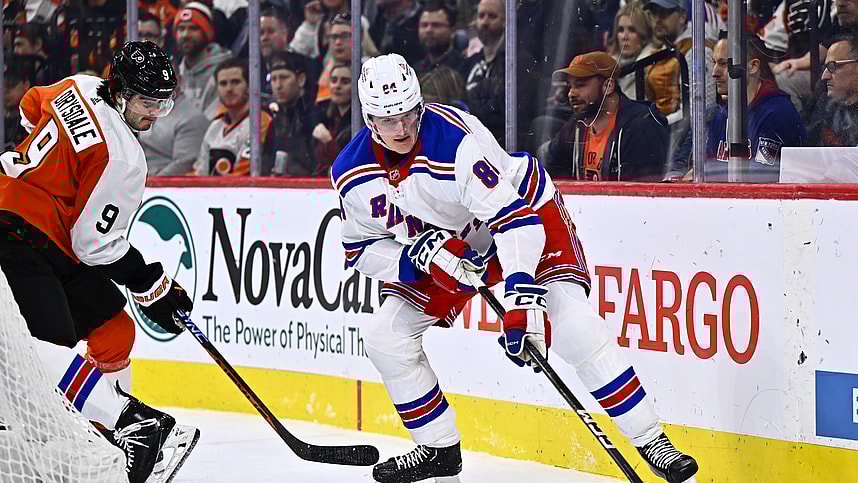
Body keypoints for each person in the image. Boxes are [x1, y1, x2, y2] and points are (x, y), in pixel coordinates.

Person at [332, 53, 698, 483]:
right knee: (386, 338)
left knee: (575, 328)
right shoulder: (352, 173)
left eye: (409, 113)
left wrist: (521, 301)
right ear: (369, 117)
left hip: (522, 214)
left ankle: (652, 440)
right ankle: (438, 449)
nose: (402, 128)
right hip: (452, 247)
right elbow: (360, 250)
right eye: (388, 119)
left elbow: (515, 221)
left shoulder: (457, 141)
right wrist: (416, 260)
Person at [0, 40, 199, 483]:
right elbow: (94, 244)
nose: (154, 114)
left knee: (113, 328)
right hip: (14, 235)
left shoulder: (81, 83)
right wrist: (148, 281)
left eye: (164, 104)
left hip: (45, 239)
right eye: (148, 103)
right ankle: (122, 424)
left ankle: (104, 439)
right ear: (122, 91)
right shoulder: (123, 157)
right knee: (46, 347)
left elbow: (31, 107)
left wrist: (52, 165)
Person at [541, 52, 670, 181]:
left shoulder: (641, 127)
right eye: (570, 86)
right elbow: (549, 171)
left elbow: (639, 195)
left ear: (608, 86)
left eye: (580, 85)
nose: (571, 93)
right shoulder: (577, 124)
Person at [703, 34, 807, 182]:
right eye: (714, 63)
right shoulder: (721, 115)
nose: (714, 73)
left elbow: (760, 181)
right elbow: (707, 174)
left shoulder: (777, 112)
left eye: (724, 64)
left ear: (753, 66)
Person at [195, 56, 274, 175]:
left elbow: (244, 173)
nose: (229, 89)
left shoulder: (259, 121)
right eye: (223, 84)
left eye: (235, 82)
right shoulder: (215, 126)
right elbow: (200, 172)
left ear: (249, 85)